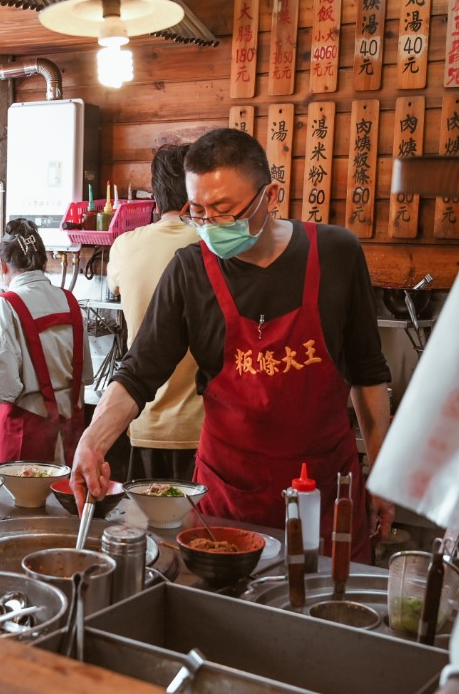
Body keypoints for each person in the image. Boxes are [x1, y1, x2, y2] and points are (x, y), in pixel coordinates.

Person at [72, 128, 393, 563]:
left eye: (223, 211)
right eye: (198, 212)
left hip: (324, 491)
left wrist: (384, 476)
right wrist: (93, 439)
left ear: (271, 195)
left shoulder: (337, 253)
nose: (209, 227)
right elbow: (139, 372)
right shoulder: (190, 270)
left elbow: (368, 375)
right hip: (229, 497)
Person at [107, 143, 203, 481]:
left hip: (142, 414)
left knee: (145, 527)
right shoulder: (211, 245)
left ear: (156, 198)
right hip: (201, 426)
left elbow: (114, 287)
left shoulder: (124, 246)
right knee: (199, 533)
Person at [0, 218, 94, 464]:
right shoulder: (70, 302)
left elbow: (1, 387)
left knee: (20, 499)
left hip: (26, 430)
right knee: (65, 496)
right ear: (43, 262)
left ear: (3, 266)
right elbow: (85, 375)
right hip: (72, 425)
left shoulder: (4, 305)